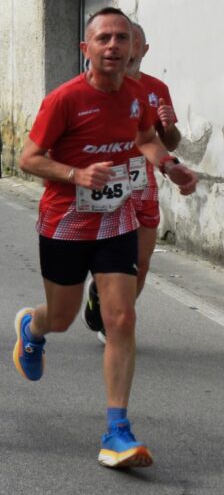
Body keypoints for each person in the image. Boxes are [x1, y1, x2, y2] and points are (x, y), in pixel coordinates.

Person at [13, 7, 197, 468]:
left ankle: (117, 429)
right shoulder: (65, 99)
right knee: (61, 316)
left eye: (121, 38)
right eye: (103, 39)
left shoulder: (138, 95)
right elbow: (28, 158)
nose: (113, 46)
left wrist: (172, 168)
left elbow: (147, 140)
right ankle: (31, 329)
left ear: (133, 47)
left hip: (117, 218)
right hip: (66, 220)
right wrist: (76, 173)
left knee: (122, 318)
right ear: (86, 49)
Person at [82, 23, 181, 343]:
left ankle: (115, 318)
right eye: (121, 41)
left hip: (141, 182)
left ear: (143, 50)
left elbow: (171, 141)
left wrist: (167, 127)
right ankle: (100, 289)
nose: (127, 49)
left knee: (141, 260)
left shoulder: (157, 89)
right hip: (101, 180)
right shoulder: (88, 88)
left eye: (132, 42)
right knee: (102, 255)